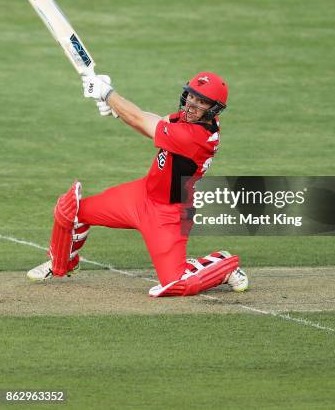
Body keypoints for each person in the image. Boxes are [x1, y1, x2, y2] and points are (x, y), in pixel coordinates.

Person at [27, 72, 248, 297]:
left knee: (176, 284)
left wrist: (108, 94)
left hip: (168, 214)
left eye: (201, 101)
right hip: (141, 195)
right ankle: (60, 265)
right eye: (191, 96)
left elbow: (141, 121)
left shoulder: (194, 137)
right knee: (71, 211)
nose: (192, 104)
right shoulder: (191, 120)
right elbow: (153, 119)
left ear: (214, 108)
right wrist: (116, 109)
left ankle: (225, 265)